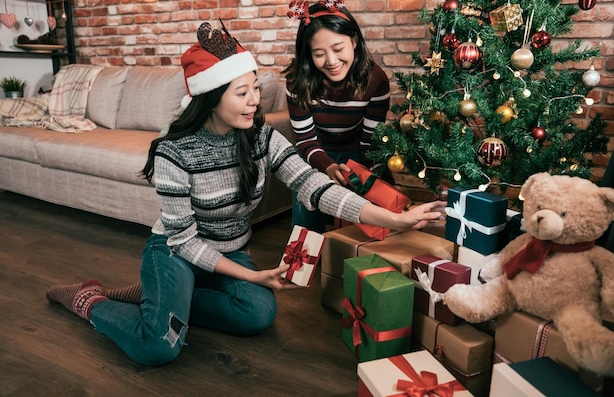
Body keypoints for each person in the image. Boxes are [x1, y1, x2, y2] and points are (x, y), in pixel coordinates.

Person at [45, 21, 447, 367]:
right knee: (158, 347)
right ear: (210, 97)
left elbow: (315, 186)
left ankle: (160, 301)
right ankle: (88, 301)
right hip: (174, 251)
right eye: (242, 93)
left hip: (229, 250)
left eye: (255, 88)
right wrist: (254, 274)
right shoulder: (173, 152)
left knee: (257, 314)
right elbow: (184, 241)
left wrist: (395, 219)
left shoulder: (261, 138)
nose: (255, 100)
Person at [284, 0, 391, 233]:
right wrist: (328, 167)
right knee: (307, 211)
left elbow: (371, 139)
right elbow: (305, 140)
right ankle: (304, 257)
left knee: (366, 217)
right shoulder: (297, 82)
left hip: (356, 149)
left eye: (338, 48)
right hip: (315, 151)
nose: (331, 61)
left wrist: (371, 174)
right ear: (308, 55)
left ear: (353, 41)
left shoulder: (376, 79)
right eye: (319, 54)